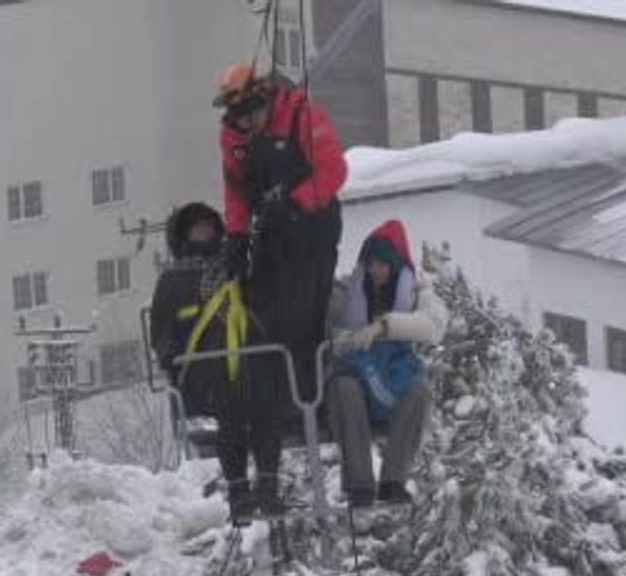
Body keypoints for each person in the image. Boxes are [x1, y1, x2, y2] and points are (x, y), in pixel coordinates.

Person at [213, 62, 348, 511]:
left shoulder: (302, 116)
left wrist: (295, 202)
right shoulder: (235, 138)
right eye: (238, 117)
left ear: (266, 99)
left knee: (305, 315)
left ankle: (310, 392)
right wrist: (235, 237)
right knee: (262, 321)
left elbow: (333, 171)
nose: (245, 124)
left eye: (251, 113)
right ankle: (271, 407)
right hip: (269, 236)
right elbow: (236, 191)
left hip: (313, 228)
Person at [329, 219, 447, 507]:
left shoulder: (419, 291)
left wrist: (383, 327)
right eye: (371, 264)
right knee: (344, 388)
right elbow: (331, 327)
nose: (375, 271)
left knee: (418, 392)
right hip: (358, 378)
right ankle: (359, 486)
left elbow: (434, 325)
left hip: (395, 375)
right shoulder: (349, 291)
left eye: (382, 264)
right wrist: (347, 339)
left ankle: (393, 481)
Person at [148, 202, 254, 519]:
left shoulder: (234, 269)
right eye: (197, 229)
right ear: (184, 235)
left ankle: (265, 485)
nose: (205, 234)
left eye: (209, 227)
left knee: (252, 390)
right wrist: (173, 360)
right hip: (201, 371)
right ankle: (239, 488)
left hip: (245, 360)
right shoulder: (173, 282)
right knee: (230, 396)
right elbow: (162, 332)